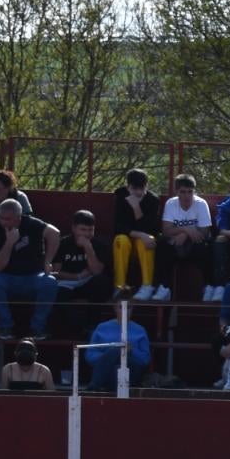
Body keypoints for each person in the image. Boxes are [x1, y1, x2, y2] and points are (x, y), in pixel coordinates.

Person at [0, 199, 59, 338]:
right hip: (6, 278)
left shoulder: (31, 224)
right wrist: (9, 243)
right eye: (1, 218)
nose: (4, 222)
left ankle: (37, 328)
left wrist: (48, 261)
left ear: (18, 217)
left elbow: (54, 233)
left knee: (50, 282)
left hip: (33, 277)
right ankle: (6, 326)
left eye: (8, 219)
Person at [110, 168, 165, 300]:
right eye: (135, 189)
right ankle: (119, 286)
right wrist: (139, 234)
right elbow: (118, 226)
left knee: (147, 241)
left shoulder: (153, 200)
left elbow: (149, 227)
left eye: (142, 188)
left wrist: (136, 207)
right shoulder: (120, 195)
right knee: (120, 240)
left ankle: (147, 285)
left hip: (144, 238)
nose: (139, 192)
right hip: (127, 237)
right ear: (128, 187)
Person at [86, 298, 152, 394]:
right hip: (107, 372)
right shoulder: (102, 327)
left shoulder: (140, 330)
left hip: (132, 368)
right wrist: (109, 356)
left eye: (128, 307)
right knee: (116, 363)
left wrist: (132, 350)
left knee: (118, 350)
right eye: (121, 307)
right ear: (115, 308)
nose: (125, 310)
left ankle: (94, 386)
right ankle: (117, 400)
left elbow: (145, 359)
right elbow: (89, 355)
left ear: (132, 309)